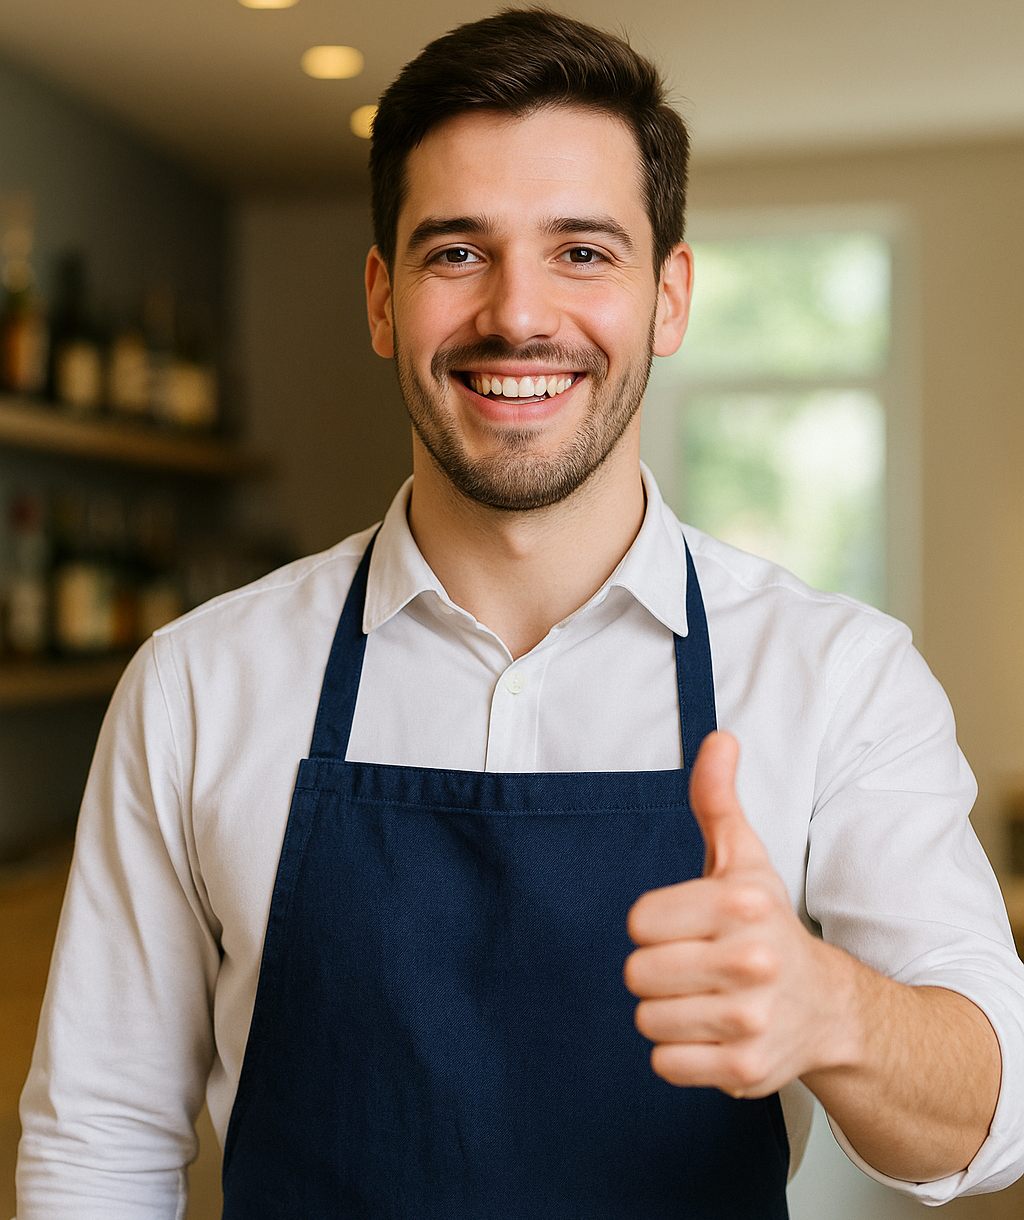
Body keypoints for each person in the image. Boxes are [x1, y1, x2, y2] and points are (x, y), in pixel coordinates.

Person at [16, 8, 1024, 1218]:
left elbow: (992, 1117)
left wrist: (834, 1007)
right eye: (456, 252)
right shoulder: (195, 682)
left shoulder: (837, 673)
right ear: (383, 298)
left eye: (583, 252)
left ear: (670, 295)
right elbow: (99, 1143)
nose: (518, 314)